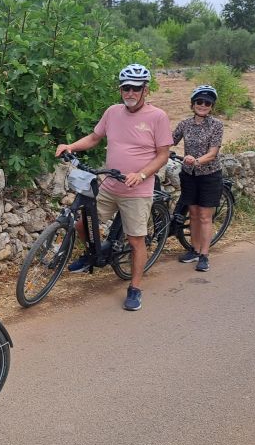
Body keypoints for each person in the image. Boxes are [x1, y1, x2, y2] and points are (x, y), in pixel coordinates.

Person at [54, 63, 172, 311]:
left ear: (145, 90)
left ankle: (135, 288)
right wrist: (71, 146)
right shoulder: (113, 112)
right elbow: (95, 138)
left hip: (137, 190)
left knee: (136, 240)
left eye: (135, 88)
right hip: (110, 185)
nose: (130, 93)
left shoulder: (157, 117)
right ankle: (92, 255)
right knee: (81, 223)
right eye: (125, 88)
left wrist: (141, 174)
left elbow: (163, 155)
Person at [172, 85, 224, 272]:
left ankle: (204, 255)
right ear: (193, 104)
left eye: (207, 103)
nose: (203, 105)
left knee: (204, 216)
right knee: (193, 214)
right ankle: (194, 250)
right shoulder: (185, 124)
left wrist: (197, 160)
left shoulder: (216, 125)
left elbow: (213, 152)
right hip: (189, 175)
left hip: (209, 175)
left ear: (211, 106)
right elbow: (169, 140)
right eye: (199, 101)